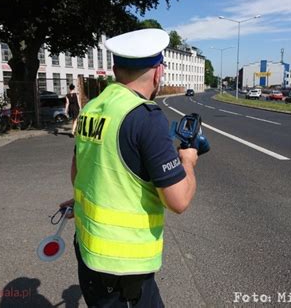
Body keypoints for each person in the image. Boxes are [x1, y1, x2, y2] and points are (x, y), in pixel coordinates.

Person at [59, 28, 199, 307]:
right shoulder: (146, 117)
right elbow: (178, 201)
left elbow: (79, 172)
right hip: (125, 270)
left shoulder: (92, 108)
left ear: (114, 69)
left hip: (88, 252)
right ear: (159, 72)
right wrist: (188, 162)